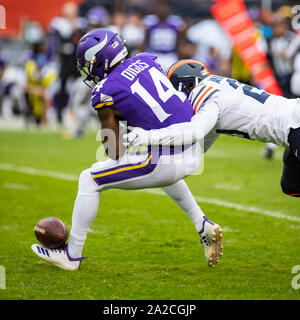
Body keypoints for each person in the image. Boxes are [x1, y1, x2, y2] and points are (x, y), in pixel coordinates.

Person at [31, 29, 223, 270]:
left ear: (100, 60)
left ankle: (71, 255)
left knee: (89, 179)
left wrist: (118, 119)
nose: (86, 69)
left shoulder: (105, 91)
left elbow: (114, 150)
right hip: (194, 148)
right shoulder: (146, 60)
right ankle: (202, 223)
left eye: (88, 63)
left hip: (166, 160)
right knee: (154, 158)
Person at [124, 59, 300, 198]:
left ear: (186, 85)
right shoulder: (217, 87)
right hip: (292, 128)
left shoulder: (205, 93)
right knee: (291, 185)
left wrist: (147, 137)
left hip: (296, 126)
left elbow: (194, 131)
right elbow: (196, 150)